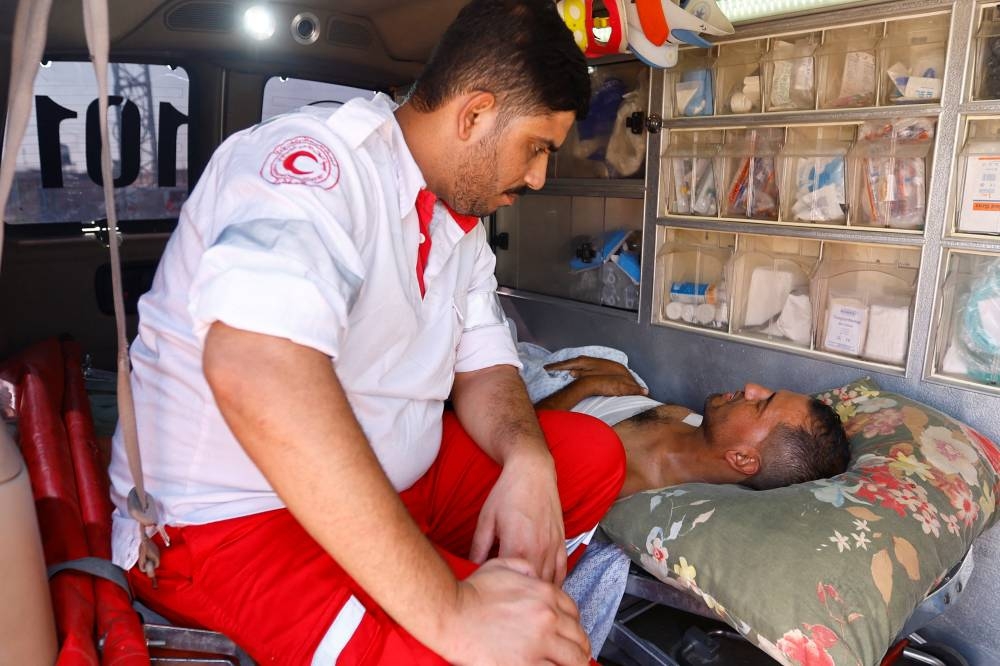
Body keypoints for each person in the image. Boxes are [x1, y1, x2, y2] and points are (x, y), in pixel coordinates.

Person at [107, 2, 626, 664]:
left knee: (587, 458)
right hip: (230, 524)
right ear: (474, 115)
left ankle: (498, 609)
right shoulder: (314, 167)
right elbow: (254, 367)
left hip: (396, 486)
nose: (537, 177)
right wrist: (451, 610)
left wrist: (527, 460)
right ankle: (481, 620)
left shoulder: (457, 218)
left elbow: (487, 362)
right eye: (537, 149)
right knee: (491, 652)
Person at [532, 355, 852, 496]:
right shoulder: (691, 421)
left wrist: (585, 388)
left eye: (761, 403)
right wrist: (622, 381)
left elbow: (518, 444)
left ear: (742, 459)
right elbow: (635, 407)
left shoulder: (626, 480)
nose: (752, 387)